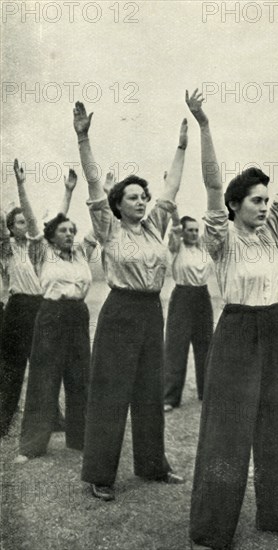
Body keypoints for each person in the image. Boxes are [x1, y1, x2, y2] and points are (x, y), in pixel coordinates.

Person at [185, 89, 278, 550]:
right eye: (256, 201)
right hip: (238, 330)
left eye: (266, 200)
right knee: (227, 430)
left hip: (275, 327)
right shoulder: (221, 238)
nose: (265, 206)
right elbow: (211, 186)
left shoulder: (274, 230)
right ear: (237, 204)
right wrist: (203, 126)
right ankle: (211, 527)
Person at [74, 102, 185, 501]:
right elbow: (91, 185)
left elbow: (170, 191)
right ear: (118, 203)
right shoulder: (108, 228)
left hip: (151, 310)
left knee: (149, 390)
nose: (141, 202)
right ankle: (100, 475)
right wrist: (83, 137)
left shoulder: (155, 227)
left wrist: (182, 147)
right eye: (133, 197)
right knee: (110, 391)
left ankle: (153, 465)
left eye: (144, 197)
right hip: (119, 311)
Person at [12, 161, 94, 462]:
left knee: (80, 376)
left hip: (78, 315)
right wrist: (22, 185)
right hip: (50, 315)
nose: (70, 233)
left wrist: (71, 190)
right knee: (44, 377)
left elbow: (78, 226)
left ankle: (80, 438)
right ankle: (32, 446)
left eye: (73, 229)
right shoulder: (41, 252)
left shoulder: (81, 253)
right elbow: (36, 223)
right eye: (64, 230)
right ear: (52, 235)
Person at [0, 163, 74, 438]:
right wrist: (18, 185)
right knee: (11, 368)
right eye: (19, 222)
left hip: (41, 308)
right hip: (17, 310)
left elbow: (58, 220)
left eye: (26, 222)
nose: (25, 225)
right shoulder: (5, 251)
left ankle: (53, 417)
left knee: (44, 365)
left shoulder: (41, 249)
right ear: (9, 228)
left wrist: (68, 191)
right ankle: (3, 420)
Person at [163, 208, 213, 410]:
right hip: (182, 297)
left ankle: (206, 393)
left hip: (203, 297)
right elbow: (174, 228)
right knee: (177, 347)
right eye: (190, 230)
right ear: (182, 232)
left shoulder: (204, 250)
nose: (194, 233)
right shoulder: (176, 248)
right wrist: (174, 211)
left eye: (196, 230)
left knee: (206, 346)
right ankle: (169, 398)